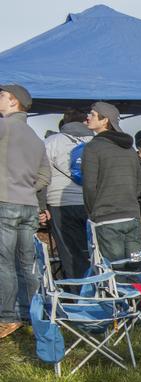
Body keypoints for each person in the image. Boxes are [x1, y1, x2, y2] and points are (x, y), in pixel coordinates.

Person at [0, 83, 49, 338]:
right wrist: (26, 187)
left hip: (5, 202)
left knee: (4, 262)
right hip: (28, 204)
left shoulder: (4, 126)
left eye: (2, 96)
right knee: (26, 263)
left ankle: (8, 317)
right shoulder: (36, 137)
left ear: (13, 102)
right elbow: (45, 176)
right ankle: (32, 313)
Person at [82, 101, 141, 262]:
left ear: (105, 120)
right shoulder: (129, 149)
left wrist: (94, 212)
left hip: (107, 221)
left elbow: (89, 186)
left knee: (115, 271)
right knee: (135, 265)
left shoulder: (92, 148)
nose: (88, 117)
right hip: (133, 220)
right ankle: (139, 288)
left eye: (93, 114)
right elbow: (139, 183)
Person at [44, 107, 93, 278]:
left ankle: (77, 296)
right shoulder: (97, 141)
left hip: (60, 202)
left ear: (65, 122)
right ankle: (99, 292)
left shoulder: (52, 141)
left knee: (70, 254)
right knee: (95, 251)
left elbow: (43, 175)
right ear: (86, 121)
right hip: (91, 202)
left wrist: (42, 206)